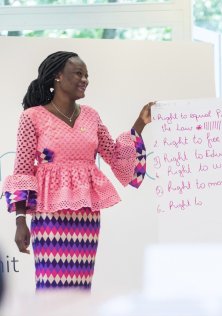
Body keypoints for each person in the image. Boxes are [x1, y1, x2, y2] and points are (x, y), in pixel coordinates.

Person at [2, 51, 153, 290]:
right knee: (51, 284)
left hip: (86, 214)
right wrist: (20, 221)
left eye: (87, 75)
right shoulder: (32, 117)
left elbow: (114, 154)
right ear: (58, 77)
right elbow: (22, 170)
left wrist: (140, 123)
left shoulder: (91, 115)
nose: (85, 80)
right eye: (78, 74)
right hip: (49, 214)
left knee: (81, 287)